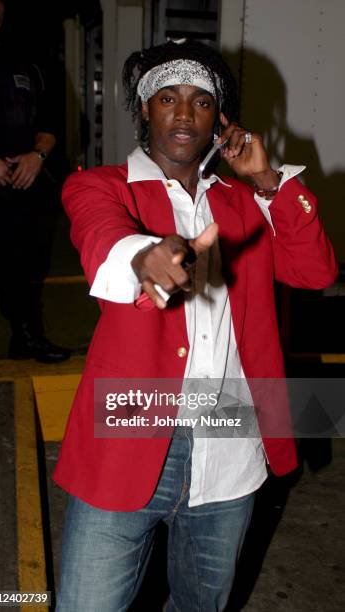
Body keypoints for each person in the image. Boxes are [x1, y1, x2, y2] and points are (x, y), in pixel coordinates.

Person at [53, 39, 337, 610]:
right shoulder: (103, 187)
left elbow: (315, 271)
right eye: (167, 97)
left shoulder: (243, 202)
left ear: (220, 119)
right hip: (128, 429)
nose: (184, 112)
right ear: (144, 111)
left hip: (230, 444)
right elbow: (101, 235)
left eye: (201, 101)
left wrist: (268, 181)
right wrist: (145, 256)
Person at [0, 0, 70, 363]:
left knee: (24, 271)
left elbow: (50, 119)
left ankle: (28, 339)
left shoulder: (22, 59)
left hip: (19, 186)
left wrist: (39, 156)